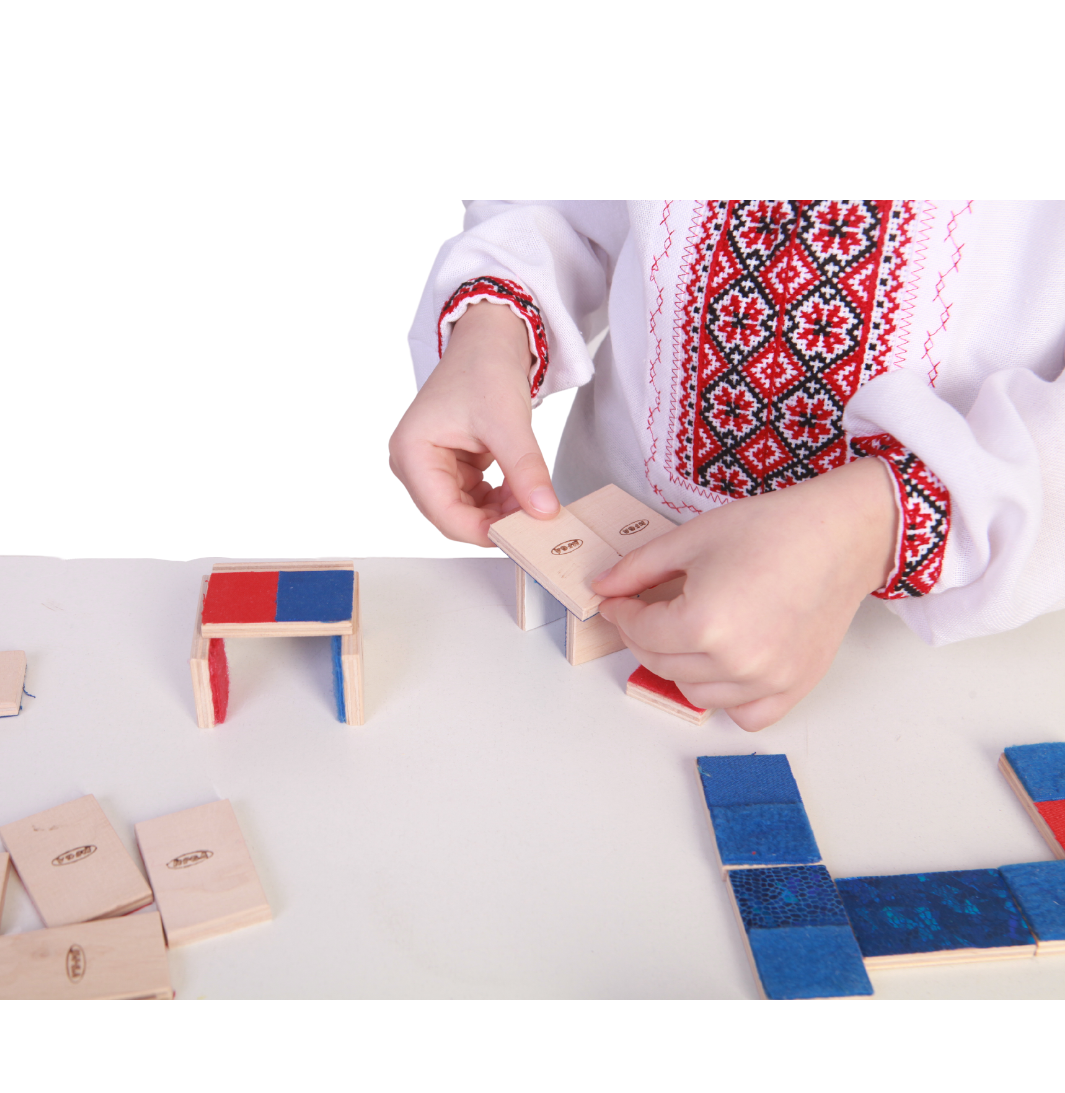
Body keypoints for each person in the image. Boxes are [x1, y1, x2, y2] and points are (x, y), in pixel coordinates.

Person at [389, 201, 1065, 730]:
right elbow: (565, 199)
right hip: (594, 611)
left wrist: (880, 522)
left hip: (961, 649)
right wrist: (493, 325)